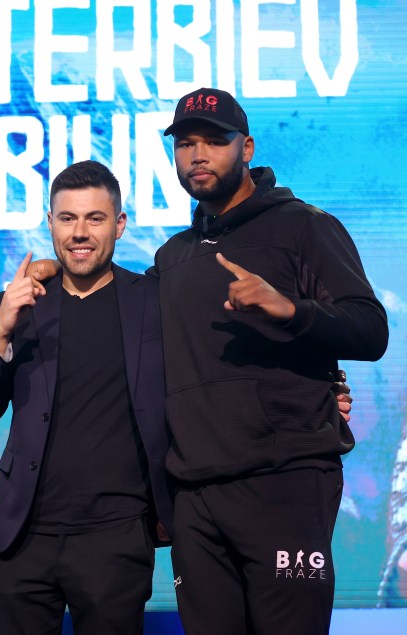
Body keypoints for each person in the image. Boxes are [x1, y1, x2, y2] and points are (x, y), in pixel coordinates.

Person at [151, 87, 388, 634]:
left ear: (248, 147)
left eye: (215, 141)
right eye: (186, 143)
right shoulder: (172, 256)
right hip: (195, 496)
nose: (198, 155)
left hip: (284, 482)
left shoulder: (303, 226)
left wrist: (290, 309)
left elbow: (370, 329)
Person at [0, 161, 172, 634]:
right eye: (67, 218)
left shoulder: (153, 301)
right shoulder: (18, 303)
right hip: (22, 538)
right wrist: (0, 331)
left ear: (119, 225)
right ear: (51, 222)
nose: (79, 232)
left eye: (95, 219)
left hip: (116, 537)